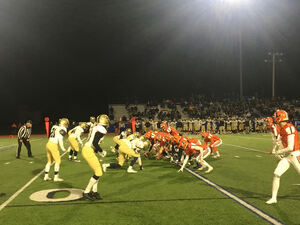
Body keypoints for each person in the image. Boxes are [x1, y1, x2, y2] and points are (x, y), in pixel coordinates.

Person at [266, 110, 300, 204]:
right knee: (276, 174)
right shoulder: (282, 128)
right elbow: (283, 144)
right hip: (287, 156)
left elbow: (290, 147)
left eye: (276, 116)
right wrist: (279, 147)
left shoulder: (289, 128)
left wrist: (278, 151)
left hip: (295, 155)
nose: (274, 118)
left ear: (280, 117)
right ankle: (274, 198)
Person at [82, 114, 109, 201]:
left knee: (97, 171)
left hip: (88, 150)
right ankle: (86, 192)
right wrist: (101, 151)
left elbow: (94, 143)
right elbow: (95, 143)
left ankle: (94, 191)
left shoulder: (96, 127)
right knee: (98, 172)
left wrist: (98, 151)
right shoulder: (101, 129)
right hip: (88, 150)